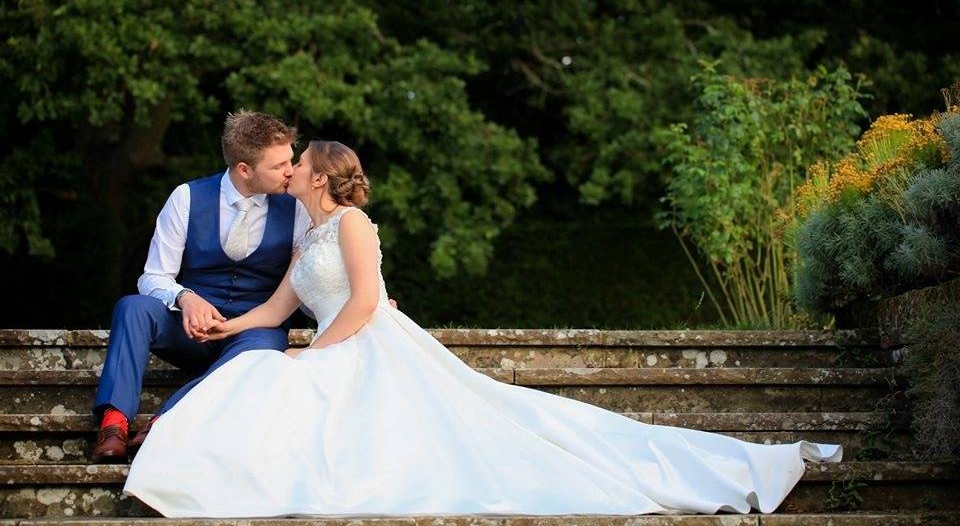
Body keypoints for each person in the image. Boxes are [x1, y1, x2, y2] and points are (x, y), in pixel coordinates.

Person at [122, 139, 842, 517]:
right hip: (337, 343)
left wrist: (319, 356)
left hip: (369, 345)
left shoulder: (352, 223)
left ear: (319, 176)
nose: (291, 171)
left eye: (299, 164)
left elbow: (368, 301)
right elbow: (278, 310)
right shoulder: (305, 237)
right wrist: (225, 325)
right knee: (252, 366)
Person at [91, 111, 312, 463]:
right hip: (188, 332)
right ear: (244, 169)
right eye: (279, 165)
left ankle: (165, 422)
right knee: (132, 307)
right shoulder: (186, 197)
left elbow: (307, 281)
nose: (291, 170)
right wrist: (184, 296)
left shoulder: (297, 207)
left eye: (291, 159)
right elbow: (153, 276)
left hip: (252, 335)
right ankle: (114, 424)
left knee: (265, 349)